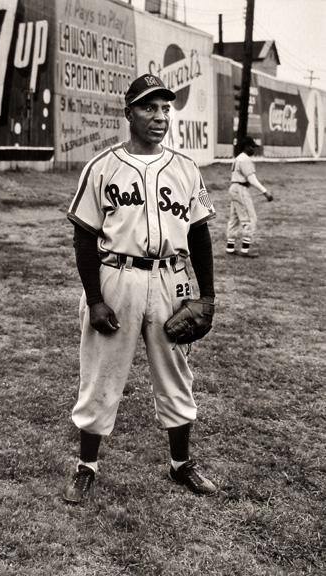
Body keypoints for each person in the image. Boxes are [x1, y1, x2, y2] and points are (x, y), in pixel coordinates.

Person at [63, 74, 217, 504]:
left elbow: (201, 235)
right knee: (101, 371)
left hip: (171, 277)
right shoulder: (102, 166)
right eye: (149, 107)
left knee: (176, 373)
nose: (160, 116)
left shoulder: (186, 168)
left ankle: (181, 464)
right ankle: (86, 467)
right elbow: (83, 237)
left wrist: (207, 298)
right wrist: (95, 299)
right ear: (128, 111)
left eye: (165, 107)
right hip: (117, 276)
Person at [226, 136, 273, 258]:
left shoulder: (238, 158)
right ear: (246, 147)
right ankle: (245, 250)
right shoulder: (245, 159)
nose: (254, 149)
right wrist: (265, 191)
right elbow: (251, 179)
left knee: (234, 218)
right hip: (240, 188)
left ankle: (230, 248)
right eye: (252, 147)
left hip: (234, 188)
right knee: (250, 218)